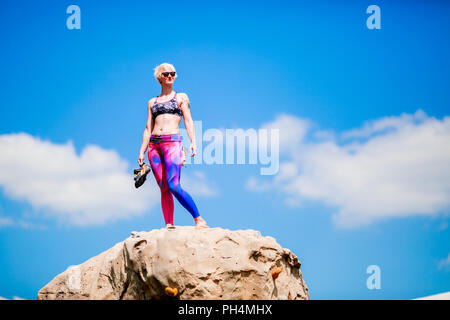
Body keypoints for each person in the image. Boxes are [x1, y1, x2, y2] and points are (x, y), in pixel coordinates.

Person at [138, 63, 209, 230]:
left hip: (172, 143)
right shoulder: (152, 102)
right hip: (154, 146)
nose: (170, 76)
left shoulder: (181, 97)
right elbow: (148, 128)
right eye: (166, 74)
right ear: (159, 78)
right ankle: (169, 224)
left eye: (173, 73)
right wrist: (142, 150)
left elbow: (188, 120)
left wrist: (193, 141)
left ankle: (199, 219)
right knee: (163, 186)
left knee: (173, 184)